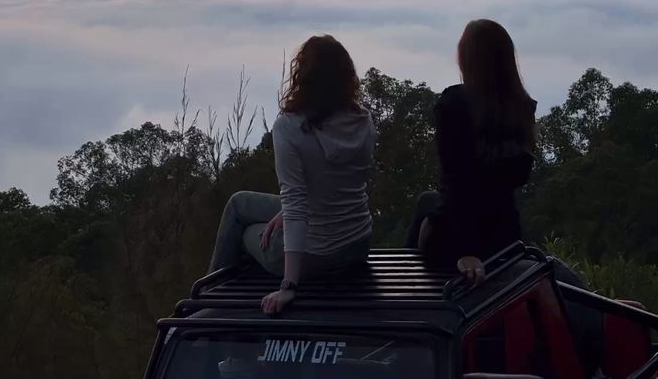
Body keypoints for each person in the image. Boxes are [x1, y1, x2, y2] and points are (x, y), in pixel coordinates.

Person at [208, 34, 375, 315]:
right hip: (358, 241)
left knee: (248, 231)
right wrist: (284, 212)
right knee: (240, 203)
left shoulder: (290, 127)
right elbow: (338, 185)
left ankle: (211, 299)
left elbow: (297, 206)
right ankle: (212, 295)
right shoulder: (363, 120)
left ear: (302, 75)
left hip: (318, 254)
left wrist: (288, 286)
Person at [407, 19, 537, 283]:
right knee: (426, 200)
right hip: (506, 236)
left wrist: (466, 251)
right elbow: (511, 180)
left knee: (426, 210)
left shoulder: (454, 106)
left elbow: (459, 182)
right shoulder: (522, 107)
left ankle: (411, 296)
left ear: (467, 58)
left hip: (460, 240)